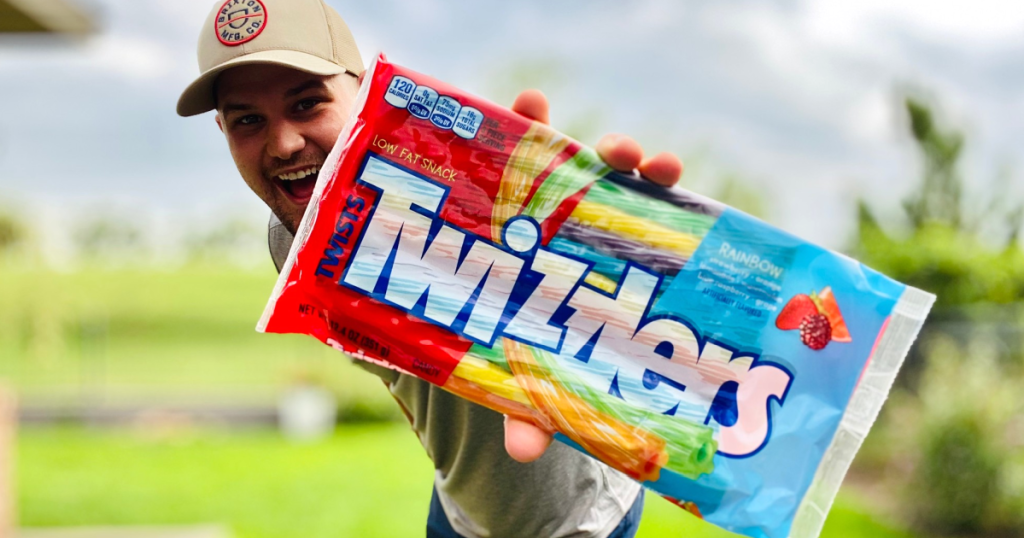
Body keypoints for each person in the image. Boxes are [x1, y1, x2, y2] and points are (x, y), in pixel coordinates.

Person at [177, 1, 684, 536]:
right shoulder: (291, 243)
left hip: (579, 521)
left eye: (307, 104)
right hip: (458, 510)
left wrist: (605, 243)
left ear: (368, 92)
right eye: (247, 120)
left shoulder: (478, 198)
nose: (283, 144)